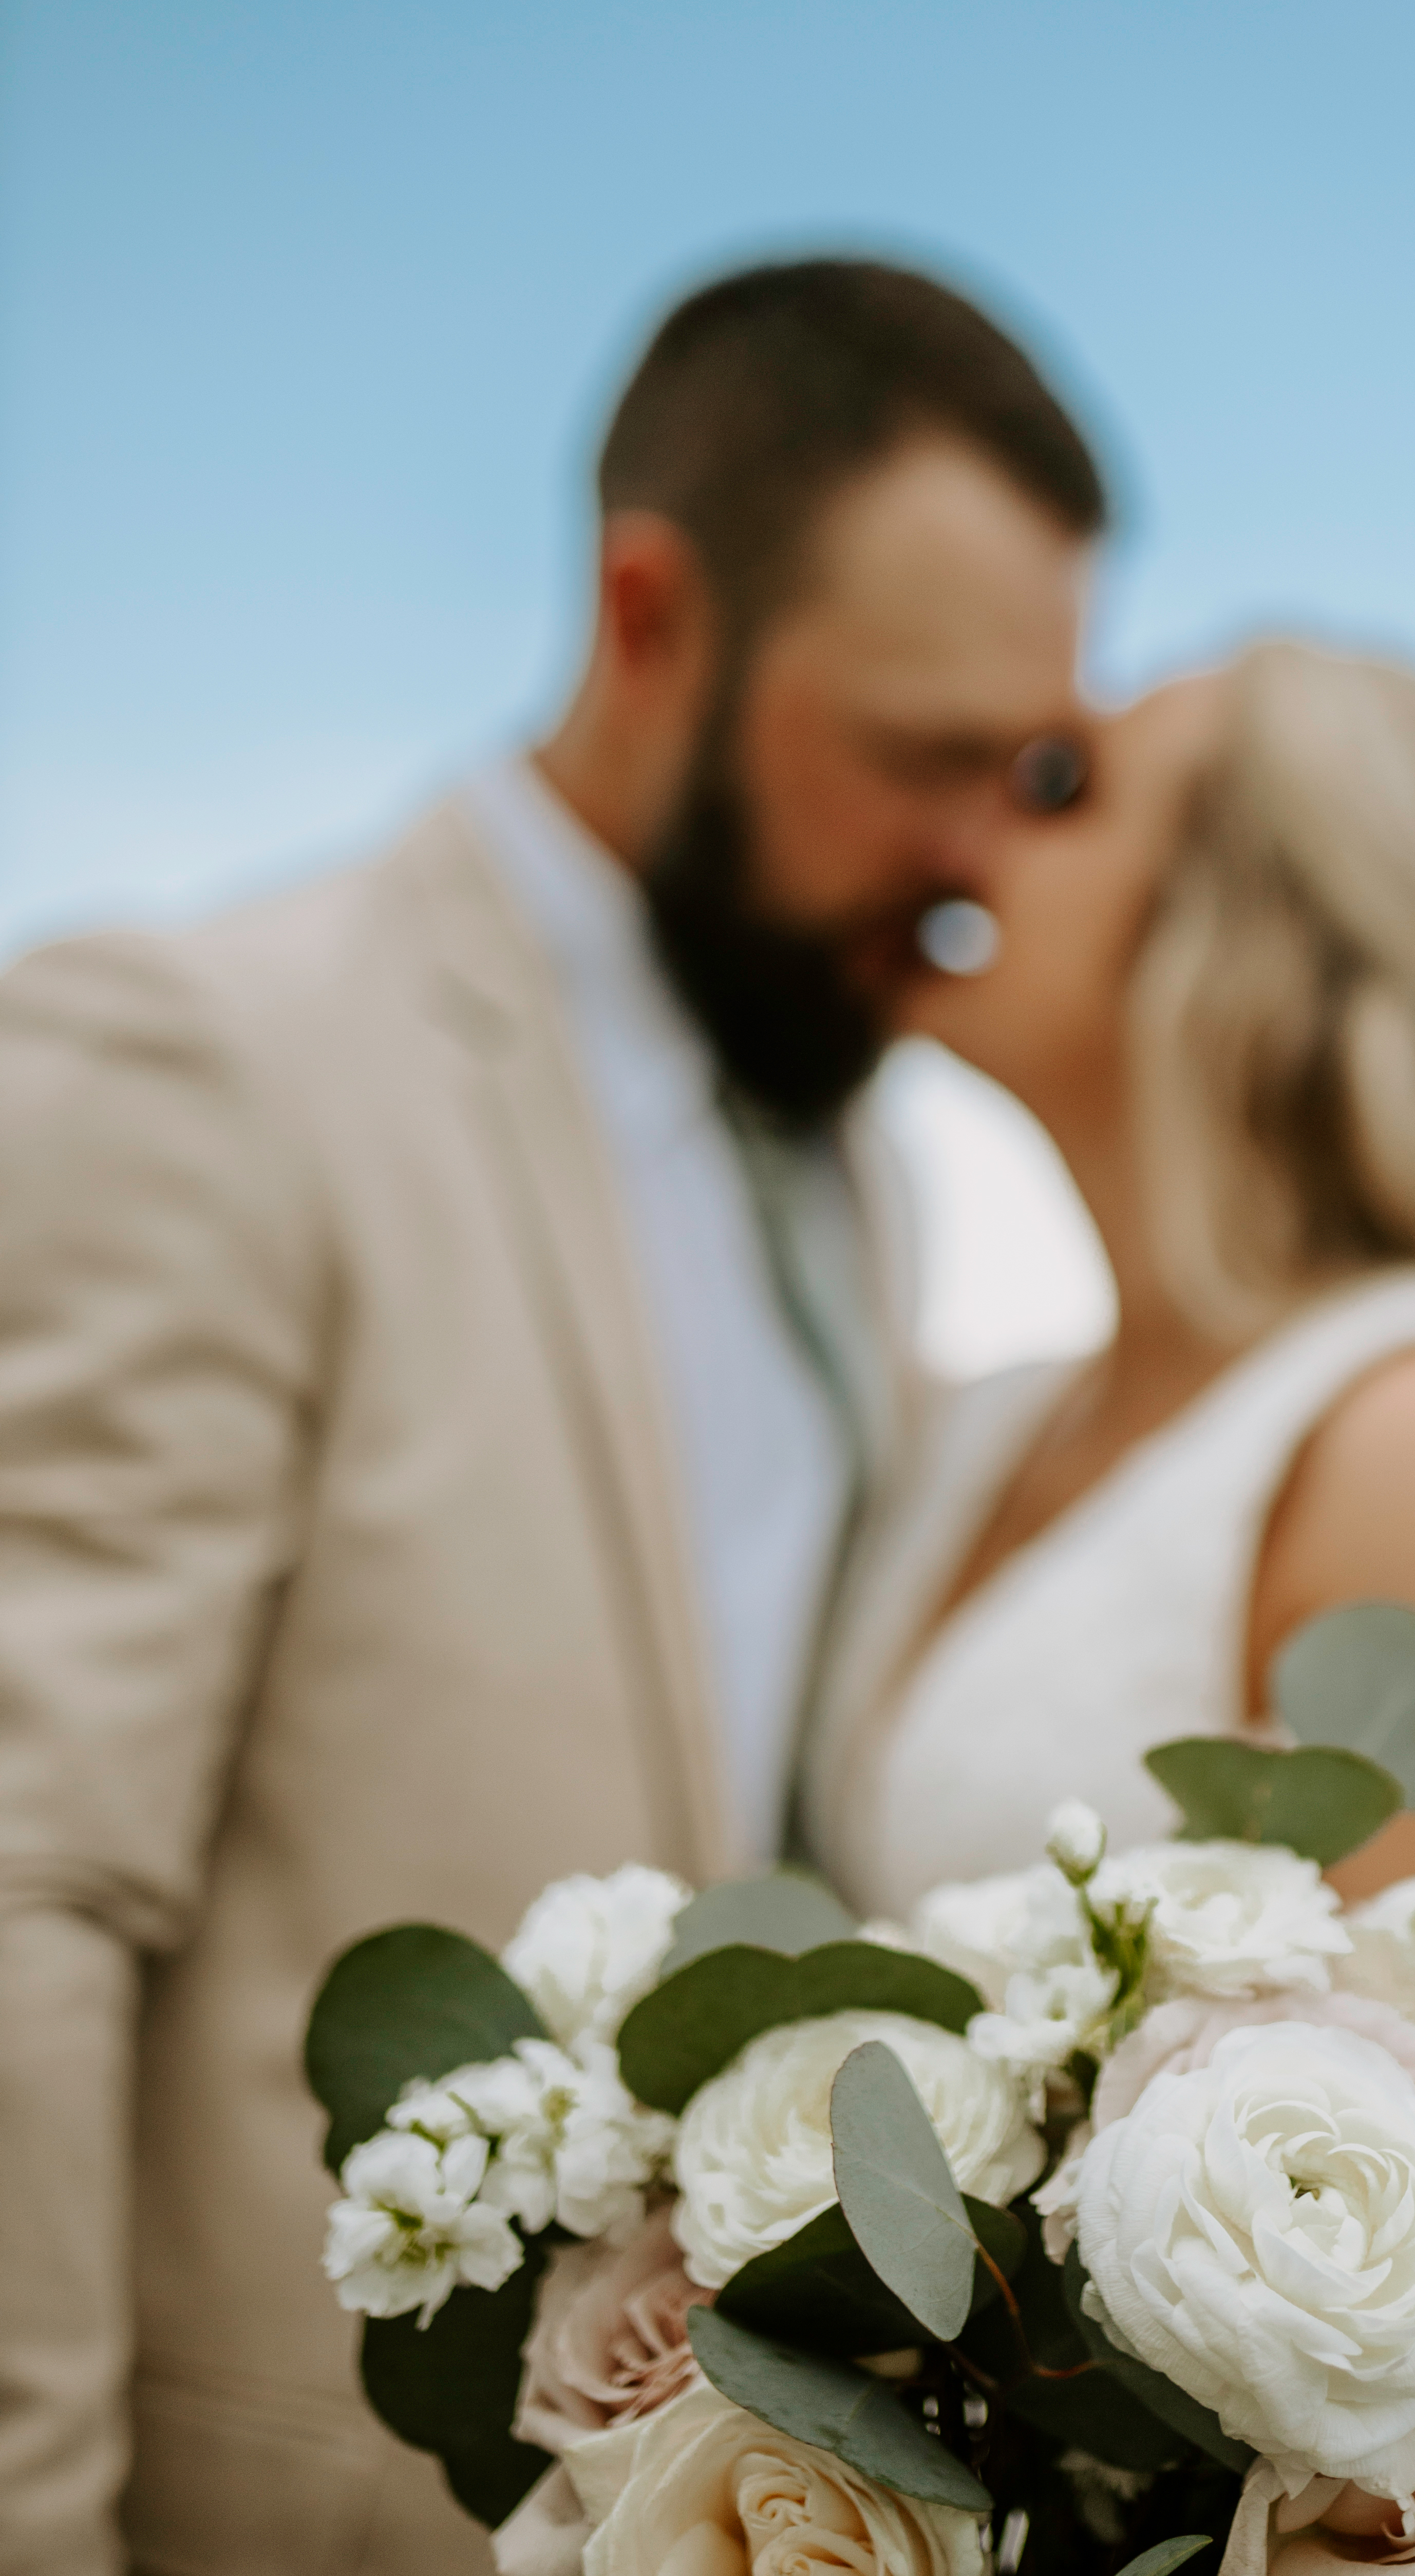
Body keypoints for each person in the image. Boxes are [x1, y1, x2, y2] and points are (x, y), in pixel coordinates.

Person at [0, 259, 1105, 2575]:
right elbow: (27, 1886)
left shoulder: (873, 1177)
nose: (981, 859)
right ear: (648, 612)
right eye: (918, 753)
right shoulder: (211, 1063)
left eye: (1023, 770)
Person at [804, 638, 1415, 1923]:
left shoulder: (1412, 1445)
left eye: (1061, 784)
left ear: (1242, 923)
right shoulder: (985, 1415)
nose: (959, 830)